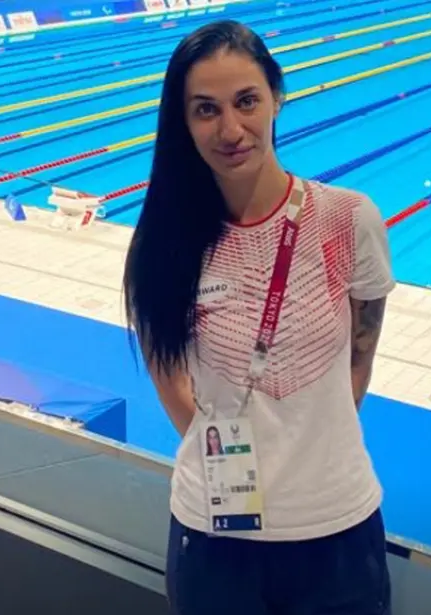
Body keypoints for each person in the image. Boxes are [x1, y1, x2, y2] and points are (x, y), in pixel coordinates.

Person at [122, 20, 394, 615]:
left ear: (276, 97)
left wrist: (306, 448)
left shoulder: (348, 219)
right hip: (215, 540)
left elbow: (359, 360)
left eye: (246, 101)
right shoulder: (164, 241)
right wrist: (234, 456)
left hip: (337, 528)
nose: (230, 129)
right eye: (206, 109)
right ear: (182, 121)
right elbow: (168, 378)